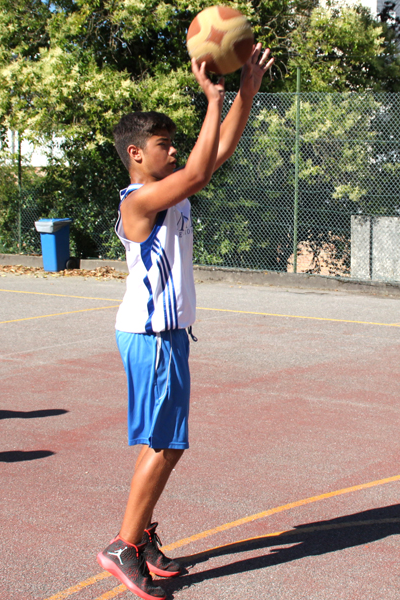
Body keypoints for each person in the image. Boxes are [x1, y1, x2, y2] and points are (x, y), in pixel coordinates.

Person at [96, 46, 274, 600]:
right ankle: (123, 546)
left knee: (166, 442)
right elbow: (199, 167)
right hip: (151, 338)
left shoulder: (171, 187)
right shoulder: (138, 201)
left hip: (167, 336)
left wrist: (246, 91)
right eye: (163, 145)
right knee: (165, 444)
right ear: (136, 154)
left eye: (175, 144)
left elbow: (216, 153)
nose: (174, 151)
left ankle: (141, 533)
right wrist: (213, 98)